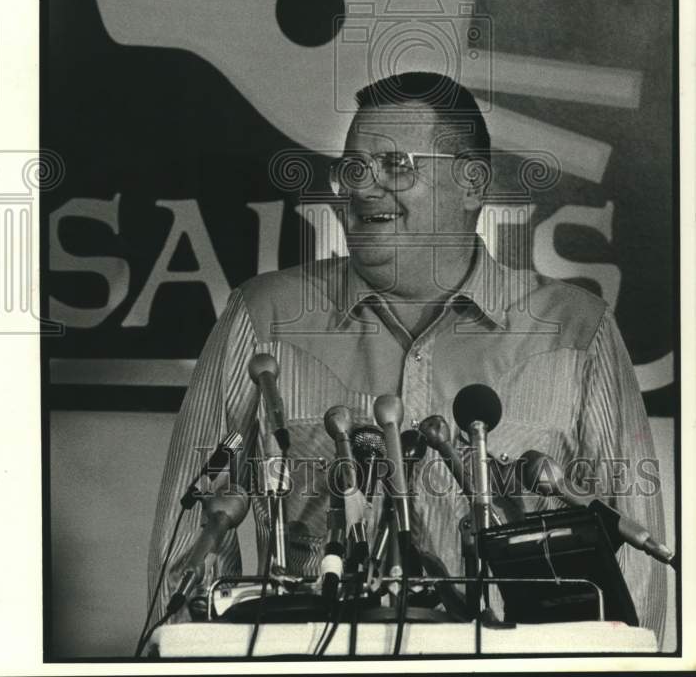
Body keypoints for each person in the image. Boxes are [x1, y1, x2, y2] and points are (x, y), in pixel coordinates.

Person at [147, 71, 667, 643]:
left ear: (473, 185)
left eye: (396, 166)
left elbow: (633, 581)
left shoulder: (578, 330)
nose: (364, 188)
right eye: (353, 169)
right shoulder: (262, 317)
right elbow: (190, 554)